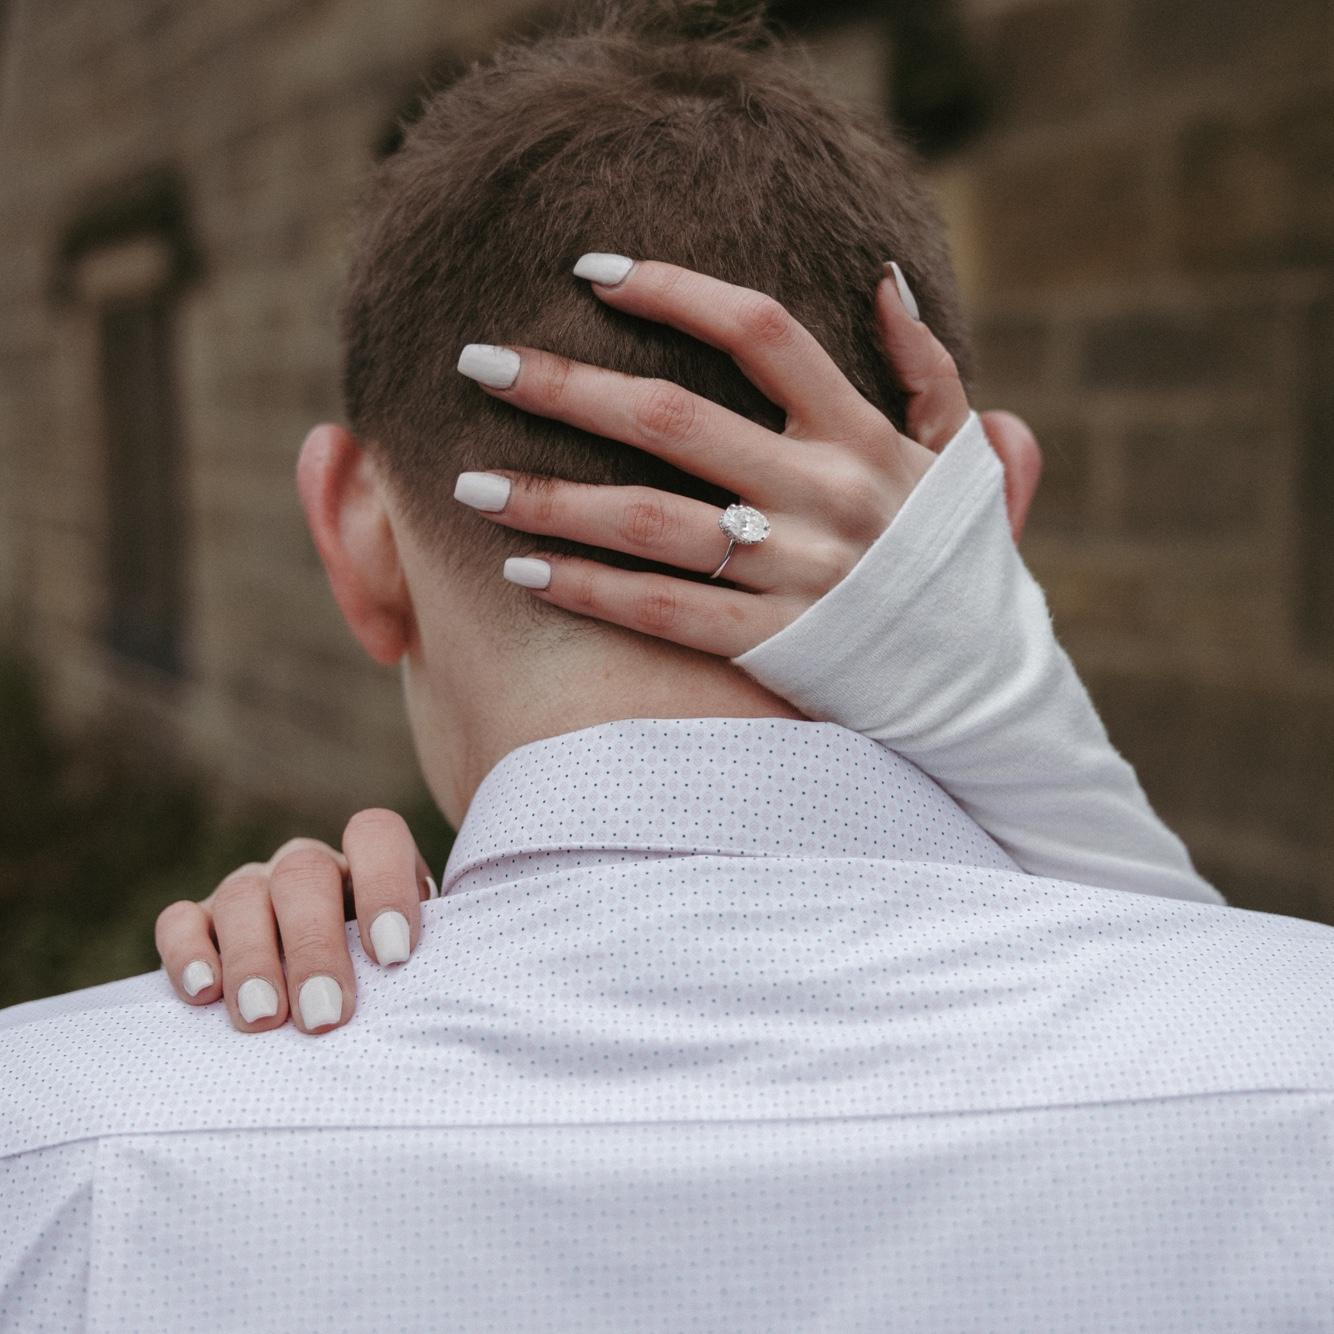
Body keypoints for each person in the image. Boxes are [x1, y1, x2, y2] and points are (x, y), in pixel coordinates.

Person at [3, 3, 1332, 1330]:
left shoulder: (53, 1155)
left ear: (354, 533)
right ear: (995, 514)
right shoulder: (1296, 1074)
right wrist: (1022, 720)